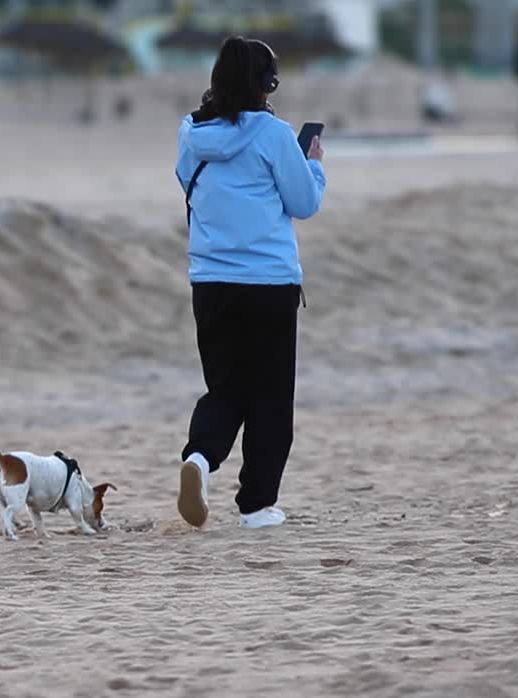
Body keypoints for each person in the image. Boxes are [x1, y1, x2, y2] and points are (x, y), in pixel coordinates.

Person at [173, 35, 327, 530]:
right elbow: (303, 203)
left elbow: (186, 181)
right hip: (269, 282)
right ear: (267, 84)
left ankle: (199, 458)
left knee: (225, 388)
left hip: (211, 282)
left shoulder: (190, 133)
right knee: (270, 396)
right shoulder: (275, 135)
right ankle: (257, 506)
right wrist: (315, 166)